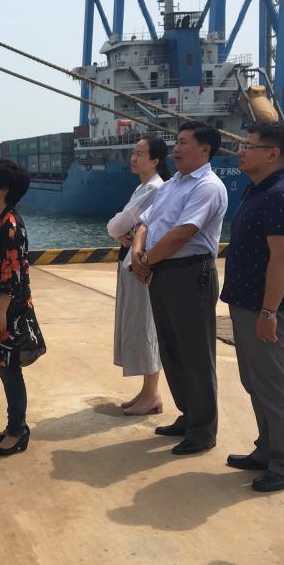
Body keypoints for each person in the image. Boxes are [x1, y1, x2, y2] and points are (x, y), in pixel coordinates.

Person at [220, 123, 284, 492]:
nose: (240, 151)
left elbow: (282, 258)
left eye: (248, 146)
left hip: (266, 309)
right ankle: (268, 449)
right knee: (255, 382)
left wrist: (270, 311)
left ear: (272, 153)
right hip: (247, 304)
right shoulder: (258, 189)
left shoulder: (281, 195)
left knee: (275, 387)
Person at [131, 121, 227, 456]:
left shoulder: (208, 186)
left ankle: (203, 430)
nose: (177, 147)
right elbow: (146, 223)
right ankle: (188, 415)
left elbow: (182, 233)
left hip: (190, 273)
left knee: (195, 354)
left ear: (205, 150)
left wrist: (146, 261)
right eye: (177, 141)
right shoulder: (172, 184)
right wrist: (138, 253)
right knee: (172, 350)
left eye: (184, 142)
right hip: (162, 271)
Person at [0, 159, 45, 456]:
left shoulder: (11, 224)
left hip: (8, 309)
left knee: (9, 368)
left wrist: (2, 309)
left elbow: (13, 270)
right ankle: (12, 424)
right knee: (2, 367)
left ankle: (18, 431)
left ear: (4, 189)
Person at [106, 137, 171, 416]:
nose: (134, 158)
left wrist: (119, 232)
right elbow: (119, 227)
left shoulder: (154, 188)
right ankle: (146, 392)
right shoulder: (142, 187)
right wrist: (120, 231)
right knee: (138, 325)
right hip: (131, 263)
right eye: (133, 152)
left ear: (155, 160)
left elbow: (115, 226)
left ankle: (153, 395)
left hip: (141, 266)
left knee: (145, 327)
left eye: (140, 154)